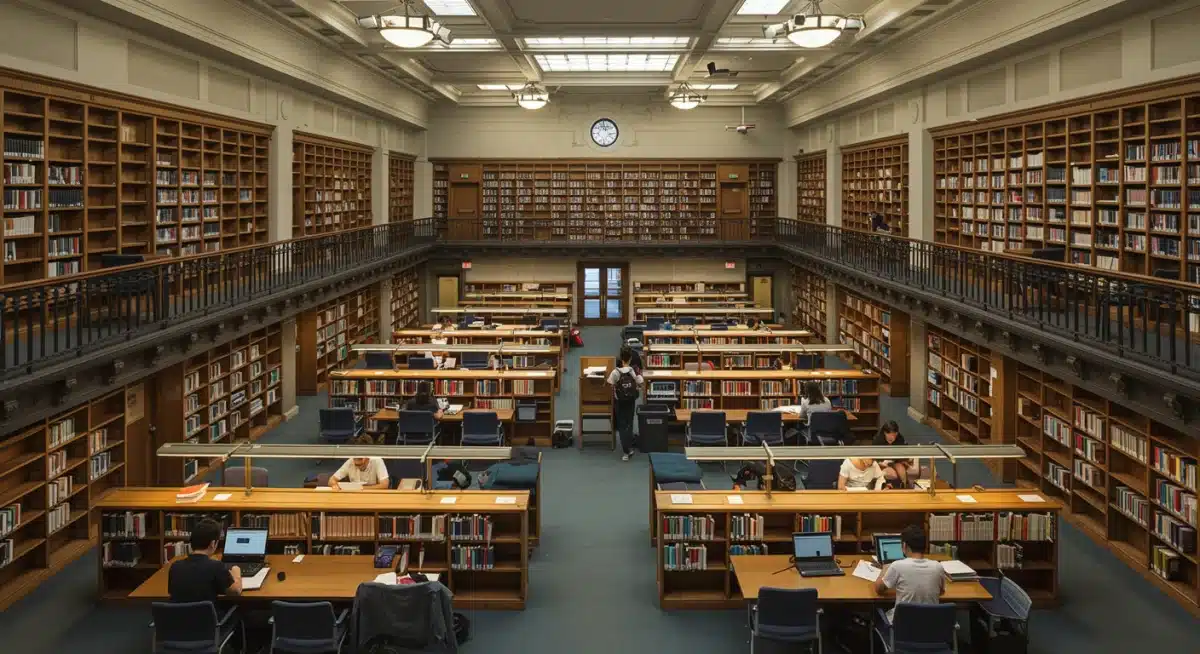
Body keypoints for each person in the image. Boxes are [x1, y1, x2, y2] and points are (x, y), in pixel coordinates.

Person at [874, 524, 946, 624]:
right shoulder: (938, 567)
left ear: (904, 546)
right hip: (931, 630)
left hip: (903, 630)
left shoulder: (897, 566)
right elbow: (941, 592)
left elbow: (878, 589)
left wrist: (884, 570)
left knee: (874, 614)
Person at [167, 518, 242, 604]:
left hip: (179, 617)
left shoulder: (175, 567)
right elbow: (236, 591)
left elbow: (172, 593)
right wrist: (236, 573)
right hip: (209, 617)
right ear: (213, 544)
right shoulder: (216, 567)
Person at [607, 345, 644, 462]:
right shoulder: (632, 371)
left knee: (622, 425)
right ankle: (629, 446)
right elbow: (640, 381)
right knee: (629, 423)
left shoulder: (615, 372)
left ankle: (626, 451)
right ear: (630, 359)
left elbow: (609, 383)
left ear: (620, 358)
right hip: (630, 401)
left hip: (619, 402)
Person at [874, 421, 915, 488]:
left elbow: (903, 453)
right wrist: (880, 463)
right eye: (889, 434)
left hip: (895, 461)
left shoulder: (900, 439)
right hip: (882, 464)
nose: (891, 437)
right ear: (884, 433)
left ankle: (904, 488)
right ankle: (888, 487)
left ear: (897, 433)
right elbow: (874, 459)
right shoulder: (878, 440)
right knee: (893, 475)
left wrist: (905, 460)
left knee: (902, 472)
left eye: (894, 434)